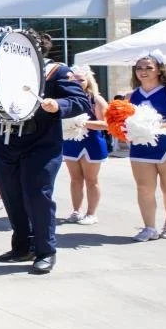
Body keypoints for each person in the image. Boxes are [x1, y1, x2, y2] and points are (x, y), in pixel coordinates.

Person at [0, 31, 90, 274]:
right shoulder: (3, 71)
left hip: (40, 142)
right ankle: (23, 246)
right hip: (5, 139)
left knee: (38, 196)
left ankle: (46, 250)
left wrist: (59, 104)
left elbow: (81, 101)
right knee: (11, 195)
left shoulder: (56, 71)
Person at [127, 52, 166, 241]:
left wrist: (157, 128)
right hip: (141, 146)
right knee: (144, 188)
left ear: (159, 70)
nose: (142, 71)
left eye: (148, 67)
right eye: (139, 68)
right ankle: (149, 228)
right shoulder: (131, 95)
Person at [61, 66, 110, 225]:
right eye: (73, 79)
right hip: (71, 142)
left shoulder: (96, 99)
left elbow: (107, 124)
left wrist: (83, 123)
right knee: (75, 179)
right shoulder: (65, 98)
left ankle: (91, 213)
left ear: (88, 81)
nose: (77, 82)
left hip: (92, 143)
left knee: (91, 180)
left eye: (81, 79)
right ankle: (76, 211)